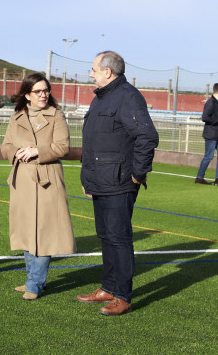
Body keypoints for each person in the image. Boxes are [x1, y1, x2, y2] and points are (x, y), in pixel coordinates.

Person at [76, 51, 159, 316]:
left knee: (119, 238)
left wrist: (137, 174)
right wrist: (87, 179)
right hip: (100, 181)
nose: (91, 73)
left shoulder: (128, 97)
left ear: (108, 72)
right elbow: (94, 143)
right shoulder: (100, 98)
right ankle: (108, 288)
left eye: (93, 69)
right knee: (106, 236)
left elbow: (147, 137)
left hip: (120, 182)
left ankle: (122, 295)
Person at [1, 73, 75, 301]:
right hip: (22, 179)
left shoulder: (56, 116)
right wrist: (17, 153)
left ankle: (36, 282)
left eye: (46, 90)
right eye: (38, 91)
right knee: (26, 231)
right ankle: (31, 277)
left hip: (48, 180)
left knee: (46, 232)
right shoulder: (16, 118)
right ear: (27, 95)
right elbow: (5, 147)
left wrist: (36, 151)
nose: (44, 95)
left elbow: (63, 147)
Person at [195, 83, 218, 186]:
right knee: (208, 156)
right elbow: (205, 117)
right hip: (211, 134)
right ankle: (199, 177)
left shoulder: (217, 102)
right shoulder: (211, 103)